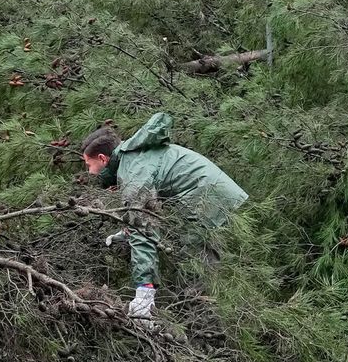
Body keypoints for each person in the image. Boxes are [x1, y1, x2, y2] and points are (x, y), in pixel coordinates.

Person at [80, 112, 248, 318]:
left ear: (102, 159)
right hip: (212, 195)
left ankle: (202, 323)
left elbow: (143, 230)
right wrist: (126, 233)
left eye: (89, 166)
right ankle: (198, 316)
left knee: (196, 272)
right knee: (194, 265)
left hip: (207, 198)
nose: (89, 173)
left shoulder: (133, 170)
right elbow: (151, 214)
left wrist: (144, 291)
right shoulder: (135, 158)